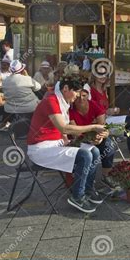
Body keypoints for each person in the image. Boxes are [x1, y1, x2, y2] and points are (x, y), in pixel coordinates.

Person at [27, 75, 107, 213]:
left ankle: (88, 189)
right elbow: (64, 128)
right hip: (40, 149)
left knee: (94, 150)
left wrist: (92, 137)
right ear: (65, 88)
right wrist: (93, 128)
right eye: (75, 91)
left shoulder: (62, 101)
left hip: (56, 144)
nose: (77, 96)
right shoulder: (51, 101)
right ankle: (77, 196)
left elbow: (67, 131)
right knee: (84, 155)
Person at [69, 89, 116, 188]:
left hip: (95, 136)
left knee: (109, 145)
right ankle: (84, 181)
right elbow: (75, 133)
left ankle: (106, 176)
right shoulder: (71, 110)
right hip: (79, 139)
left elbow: (104, 127)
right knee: (88, 151)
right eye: (78, 97)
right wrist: (89, 139)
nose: (81, 99)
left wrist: (101, 136)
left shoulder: (94, 105)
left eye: (84, 96)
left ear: (88, 96)